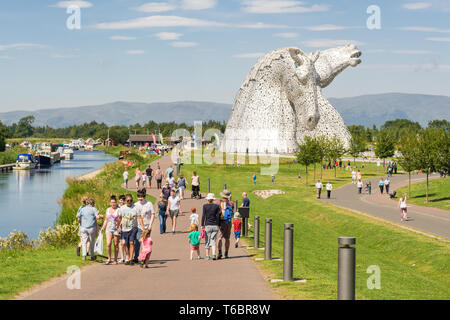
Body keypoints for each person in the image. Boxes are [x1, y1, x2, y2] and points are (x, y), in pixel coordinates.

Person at [134, 188, 155, 263]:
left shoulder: (149, 204)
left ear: (144, 196)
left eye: (141, 197)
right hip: (138, 226)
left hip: (147, 227)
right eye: (139, 197)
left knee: (145, 243)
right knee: (138, 241)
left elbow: (153, 214)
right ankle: (136, 257)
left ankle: (144, 257)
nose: (140, 198)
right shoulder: (135, 205)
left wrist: (150, 225)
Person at [117, 194, 138, 265]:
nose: (129, 202)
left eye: (131, 200)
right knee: (126, 244)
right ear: (125, 201)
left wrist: (143, 227)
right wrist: (118, 227)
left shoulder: (135, 208)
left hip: (133, 228)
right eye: (128, 200)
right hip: (124, 229)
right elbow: (119, 218)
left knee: (131, 242)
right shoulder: (122, 208)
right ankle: (128, 258)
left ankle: (131, 259)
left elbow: (140, 218)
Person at [100, 195, 120, 265]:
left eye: (114, 202)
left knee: (116, 244)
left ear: (116, 202)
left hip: (116, 229)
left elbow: (120, 220)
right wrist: (103, 227)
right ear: (110, 203)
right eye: (112, 202)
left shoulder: (118, 210)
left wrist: (119, 227)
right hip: (108, 229)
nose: (113, 204)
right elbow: (106, 220)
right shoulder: (108, 210)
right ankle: (109, 258)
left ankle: (115, 259)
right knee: (108, 244)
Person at [201, 193, 221, 260]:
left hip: (208, 225)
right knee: (213, 240)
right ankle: (214, 254)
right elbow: (218, 216)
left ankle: (207, 255)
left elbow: (204, 216)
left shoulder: (205, 206)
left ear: (208, 199)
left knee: (207, 240)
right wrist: (219, 224)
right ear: (213, 199)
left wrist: (202, 225)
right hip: (215, 225)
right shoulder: (216, 206)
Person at [216, 189, 234, 259]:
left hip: (221, 221)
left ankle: (220, 251)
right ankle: (226, 253)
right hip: (228, 222)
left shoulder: (218, 202)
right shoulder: (231, 203)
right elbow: (232, 211)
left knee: (219, 237)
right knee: (227, 238)